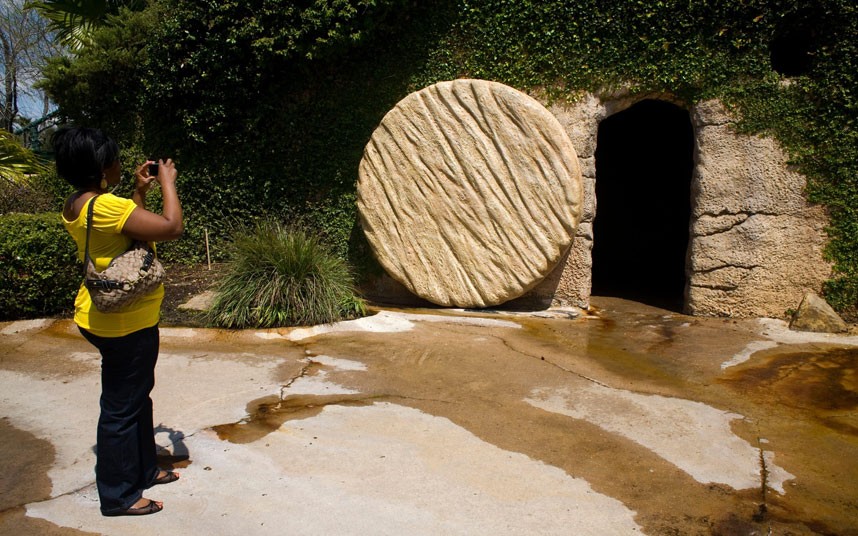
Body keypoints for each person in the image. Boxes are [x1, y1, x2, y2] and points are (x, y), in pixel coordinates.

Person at [55, 126, 184, 516]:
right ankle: (118, 495)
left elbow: (121, 229)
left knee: (135, 398)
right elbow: (171, 227)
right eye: (112, 159)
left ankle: (144, 469)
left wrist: (138, 192)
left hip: (102, 315)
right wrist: (166, 183)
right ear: (99, 167)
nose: (118, 164)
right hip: (126, 324)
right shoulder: (108, 207)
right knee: (120, 408)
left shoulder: (79, 202)